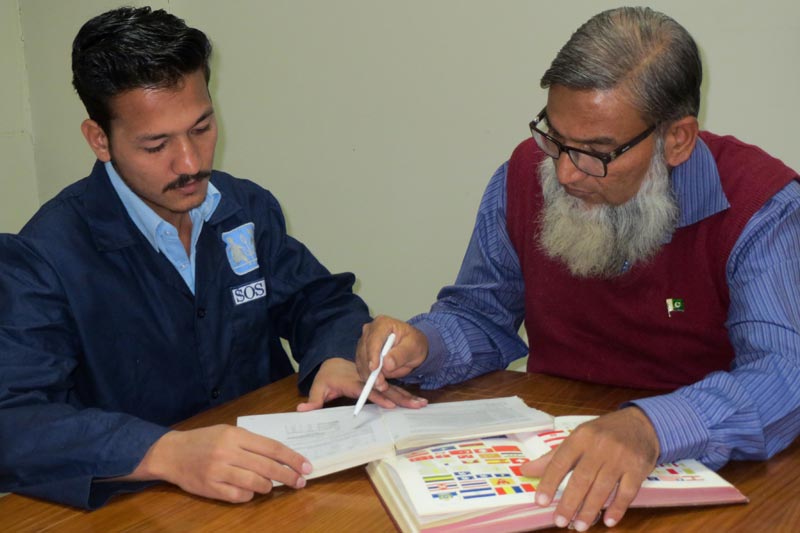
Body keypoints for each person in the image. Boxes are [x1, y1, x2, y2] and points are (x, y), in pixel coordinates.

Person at [356, 6, 800, 531]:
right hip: (553, 458)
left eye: (597, 152)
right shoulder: (524, 175)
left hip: (709, 478)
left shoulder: (762, 205)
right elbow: (480, 314)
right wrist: (423, 344)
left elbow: (782, 375)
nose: (565, 173)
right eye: (556, 137)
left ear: (676, 139)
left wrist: (647, 428)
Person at [0, 6, 424, 510]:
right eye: (156, 144)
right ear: (99, 140)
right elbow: (14, 419)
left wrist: (333, 356)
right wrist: (163, 451)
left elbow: (318, 301)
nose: (191, 163)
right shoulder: (42, 257)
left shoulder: (244, 208)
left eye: (201, 127)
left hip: (277, 489)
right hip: (143, 504)